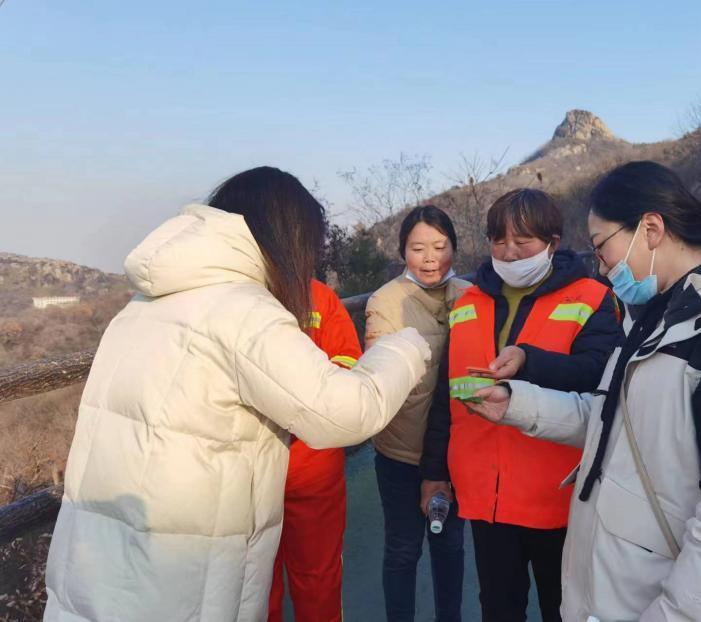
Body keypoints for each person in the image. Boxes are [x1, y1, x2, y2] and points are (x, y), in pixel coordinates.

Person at [44, 166, 431, 622]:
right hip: (184, 561)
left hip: (106, 559)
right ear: (286, 237)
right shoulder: (242, 309)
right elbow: (346, 410)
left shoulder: (142, 305)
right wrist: (405, 347)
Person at [466, 161, 701, 621]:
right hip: (625, 594)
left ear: (651, 230)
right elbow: (616, 421)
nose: (602, 266)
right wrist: (518, 404)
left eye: (602, 246)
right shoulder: (657, 320)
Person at [420, 189, 622, 622]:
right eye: (499, 241)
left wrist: (530, 361)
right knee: (498, 609)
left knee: (564, 608)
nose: (509, 253)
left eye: (523, 242)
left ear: (552, 242)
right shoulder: (467, 304)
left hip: (559, 496)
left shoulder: (592, 297)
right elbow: (445, 396)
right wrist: (434, 473)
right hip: (486, 497)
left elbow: (600, 374)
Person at [364, 205, 470, 622]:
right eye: (418, 248)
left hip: (453, 450)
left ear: (454, 248)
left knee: (450, 546)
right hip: (400, 452)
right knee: (403, 549)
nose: (430, 259)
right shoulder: (385, 301)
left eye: (440, 247)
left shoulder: (470, 295)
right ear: (402, 251)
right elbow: (378, 369)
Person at [268, 279, 363, 622]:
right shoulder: (230, 292)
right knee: (255, 585)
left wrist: (295, 399)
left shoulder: (319, 297)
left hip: (312, 465)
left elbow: (348, 363)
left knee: (317, 579)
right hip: (250, 468)